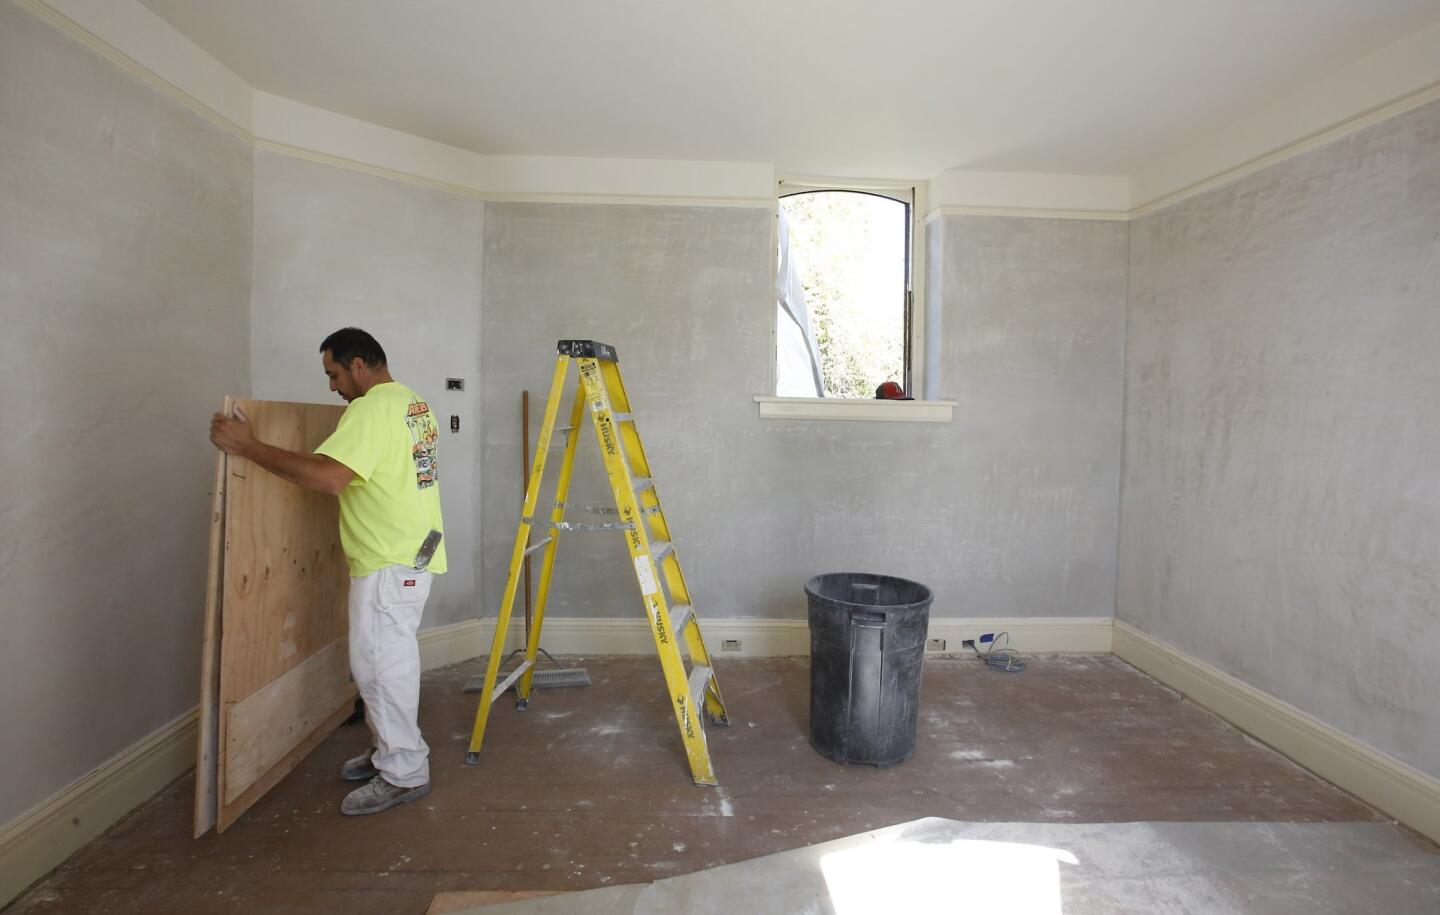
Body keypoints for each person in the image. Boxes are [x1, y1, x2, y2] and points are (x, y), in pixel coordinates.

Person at [209, 327, 446, 816]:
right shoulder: (413, 404)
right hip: (413, 552)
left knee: (380, 669)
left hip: (388, 560)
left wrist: (249, 447)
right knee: (385, 662)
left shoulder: (371, 409)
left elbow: (330, 477)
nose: (333, 386)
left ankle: (404, 772)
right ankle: (391, 750)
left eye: (334, 374)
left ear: (359, 365)